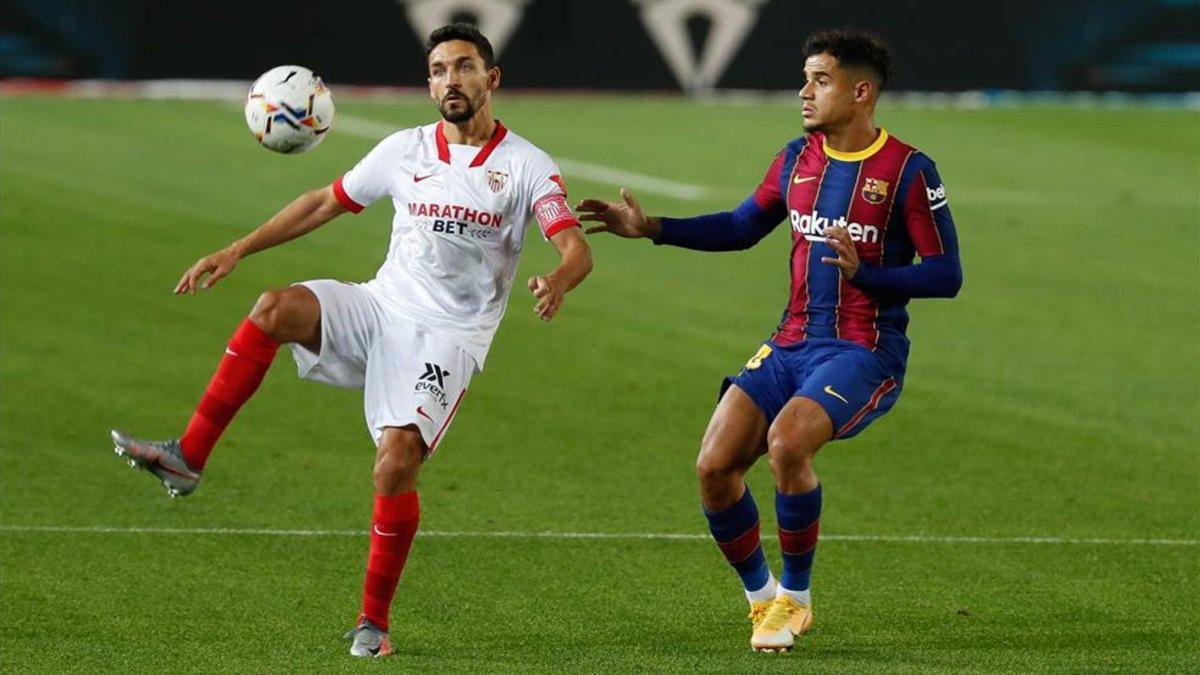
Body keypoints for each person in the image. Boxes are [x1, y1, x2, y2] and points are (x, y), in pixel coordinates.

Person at [110, 23, 592, 658]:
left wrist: (558, 279)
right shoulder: (405, 150)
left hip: (449, 337)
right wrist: (237, 249)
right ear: (429, 85)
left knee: (395, 466)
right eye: (440, 70)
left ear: (491, 79)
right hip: (381, 304)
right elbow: (322, 203)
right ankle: (187, 458)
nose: (452, 79)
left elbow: (574, 246)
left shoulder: (525, 164)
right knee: (274, 309)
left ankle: (374, 623)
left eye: (465, 67)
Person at [578, 28, 961, 652]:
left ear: (861, 92)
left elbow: (947, 274)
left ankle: (797, 599)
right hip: (789, 344)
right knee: (714, 466)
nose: (804, 92)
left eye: (821, 80)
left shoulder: (908, 171)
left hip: (864, 349)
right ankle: (763, 600)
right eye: (805, 78)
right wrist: (651, 227)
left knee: (788, 442)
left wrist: (869, 275)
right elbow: (739, 226)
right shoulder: (796, 158)